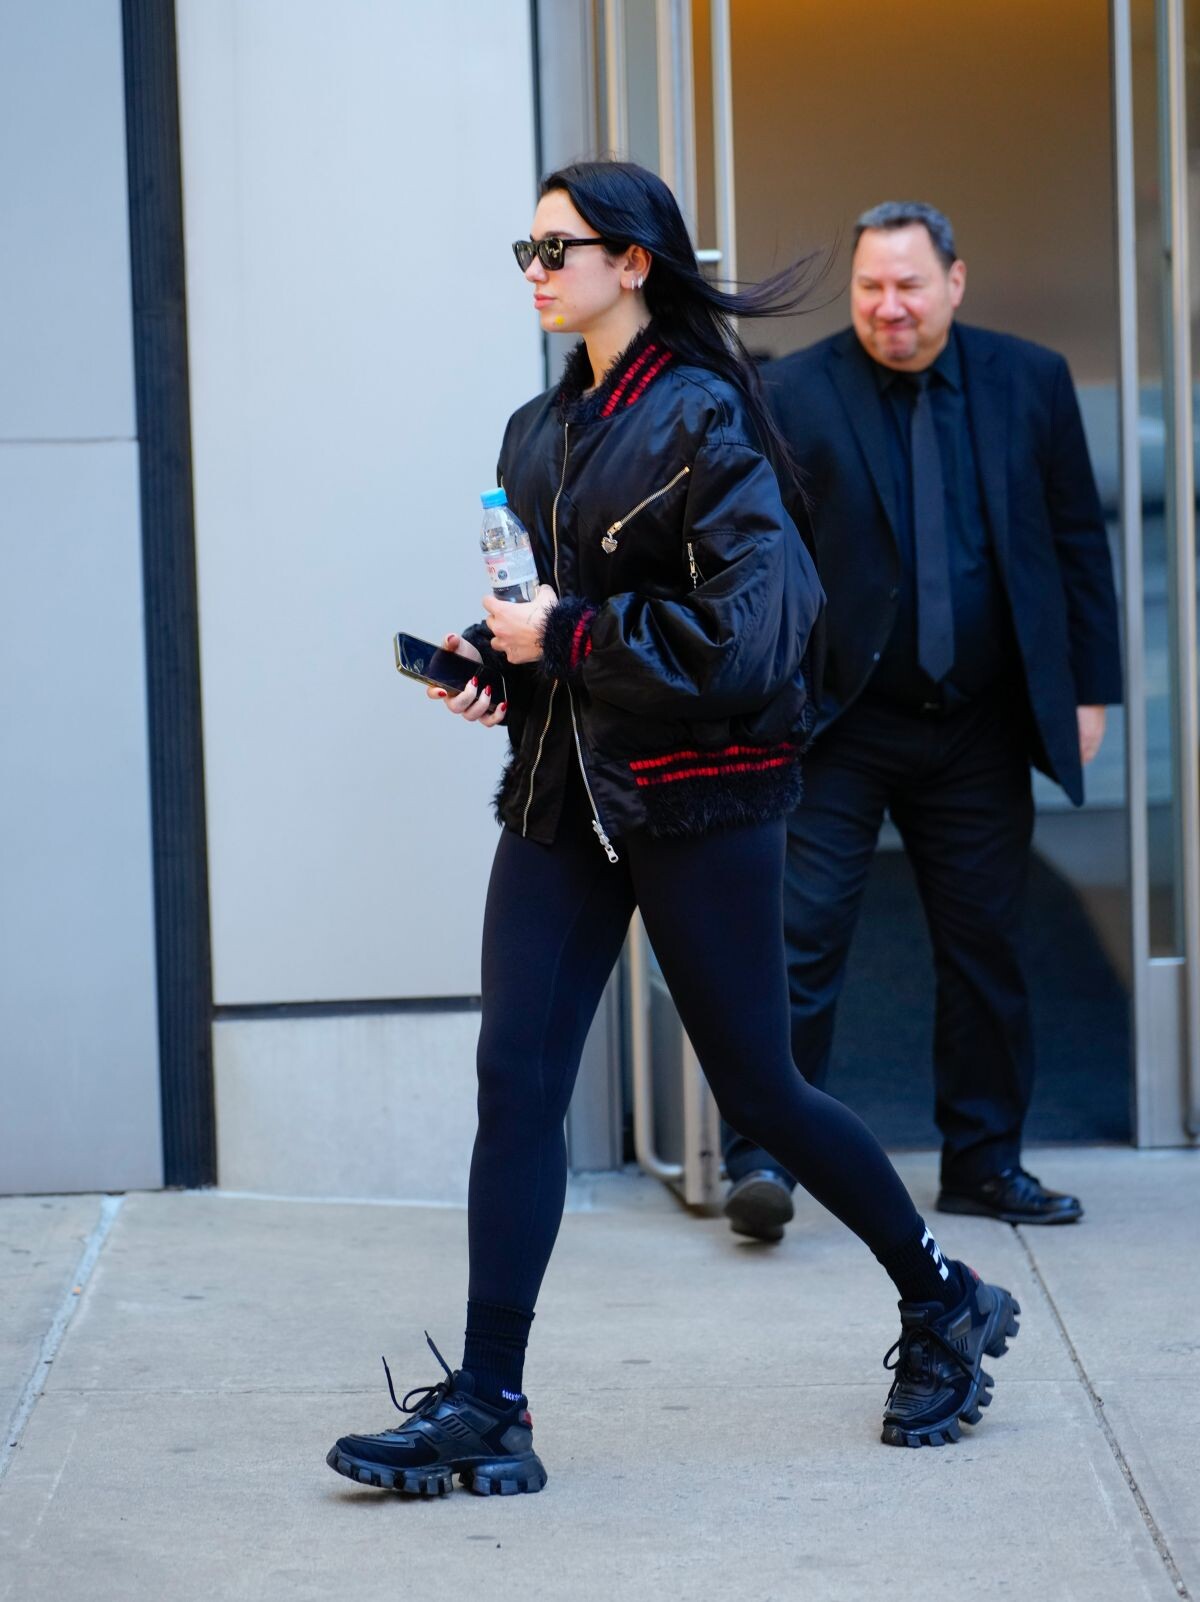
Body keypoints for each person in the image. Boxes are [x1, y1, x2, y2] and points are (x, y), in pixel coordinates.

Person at [325, 165, 1020, 1497]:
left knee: (759, 1091)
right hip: (562, 796)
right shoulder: (537, 431)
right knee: (515, 1080)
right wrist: (494, 660)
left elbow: (752, 634)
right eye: (526, 248)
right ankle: (490, 1401)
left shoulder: (707, 414)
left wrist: (570, 635)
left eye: (560, 247)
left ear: (634, 261)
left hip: (699, 794)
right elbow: (550, 615)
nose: (536, 269)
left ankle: (943, 1295)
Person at [722, 201, 1121, 1246]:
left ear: (955, 282)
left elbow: (1077, 540)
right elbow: (755, 557)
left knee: (986, 950)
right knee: (798, 943)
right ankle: (764, 1159)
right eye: (869, 287)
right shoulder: (794, 391)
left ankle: (984, 1165)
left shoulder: (1030, 380)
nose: (888, 307)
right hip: (840, 723)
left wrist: (1089, 690)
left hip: (979, 724)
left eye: (908, 285)